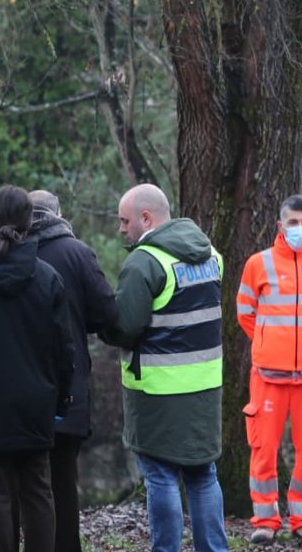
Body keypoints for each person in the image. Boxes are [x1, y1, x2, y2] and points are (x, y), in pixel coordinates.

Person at [102, 184, 227, 552]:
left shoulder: (145, 262)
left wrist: (102, 318)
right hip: (204, 387)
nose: (122, 229)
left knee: (160, 477)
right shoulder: (211, 255)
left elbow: (125, 327)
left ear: (146, 217)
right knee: (203, 475)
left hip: (158, 393)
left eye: (125, 221)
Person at [0, 185, 73, 552]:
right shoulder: (47, 277)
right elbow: (62, 349)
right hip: (34, 402)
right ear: (29, 223)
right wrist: (60, 401)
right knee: (38, 490)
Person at [237, 195, 302, 545]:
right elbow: (245, 312)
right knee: (263, 450)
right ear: (280, 225)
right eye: (293, 222)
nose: (300, 228)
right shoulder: (258, 263)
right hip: (268, 375)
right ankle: (265, 520)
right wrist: (271, 346)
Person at [28, 189, 118, 552]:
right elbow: (106, 313)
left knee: (22, 477)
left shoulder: (6, 254)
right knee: (64, 477)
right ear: (58, 213)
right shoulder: (77, 253)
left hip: (19, 385)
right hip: (69, 382)